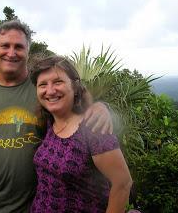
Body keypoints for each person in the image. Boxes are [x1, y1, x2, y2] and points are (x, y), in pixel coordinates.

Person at [0, 19, 113, 213]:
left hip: (36, 202)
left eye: (19, 47)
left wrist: (100, 107)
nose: (11, 53)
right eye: (5, 46)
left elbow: (74, 104)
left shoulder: (42, 88)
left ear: (28, 52)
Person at [29, 55, 132, 213]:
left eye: (58, 82)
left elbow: (123, 183)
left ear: (75, 87)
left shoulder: (93, 128)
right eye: (43, 84)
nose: (50, 90)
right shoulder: (49, 122)